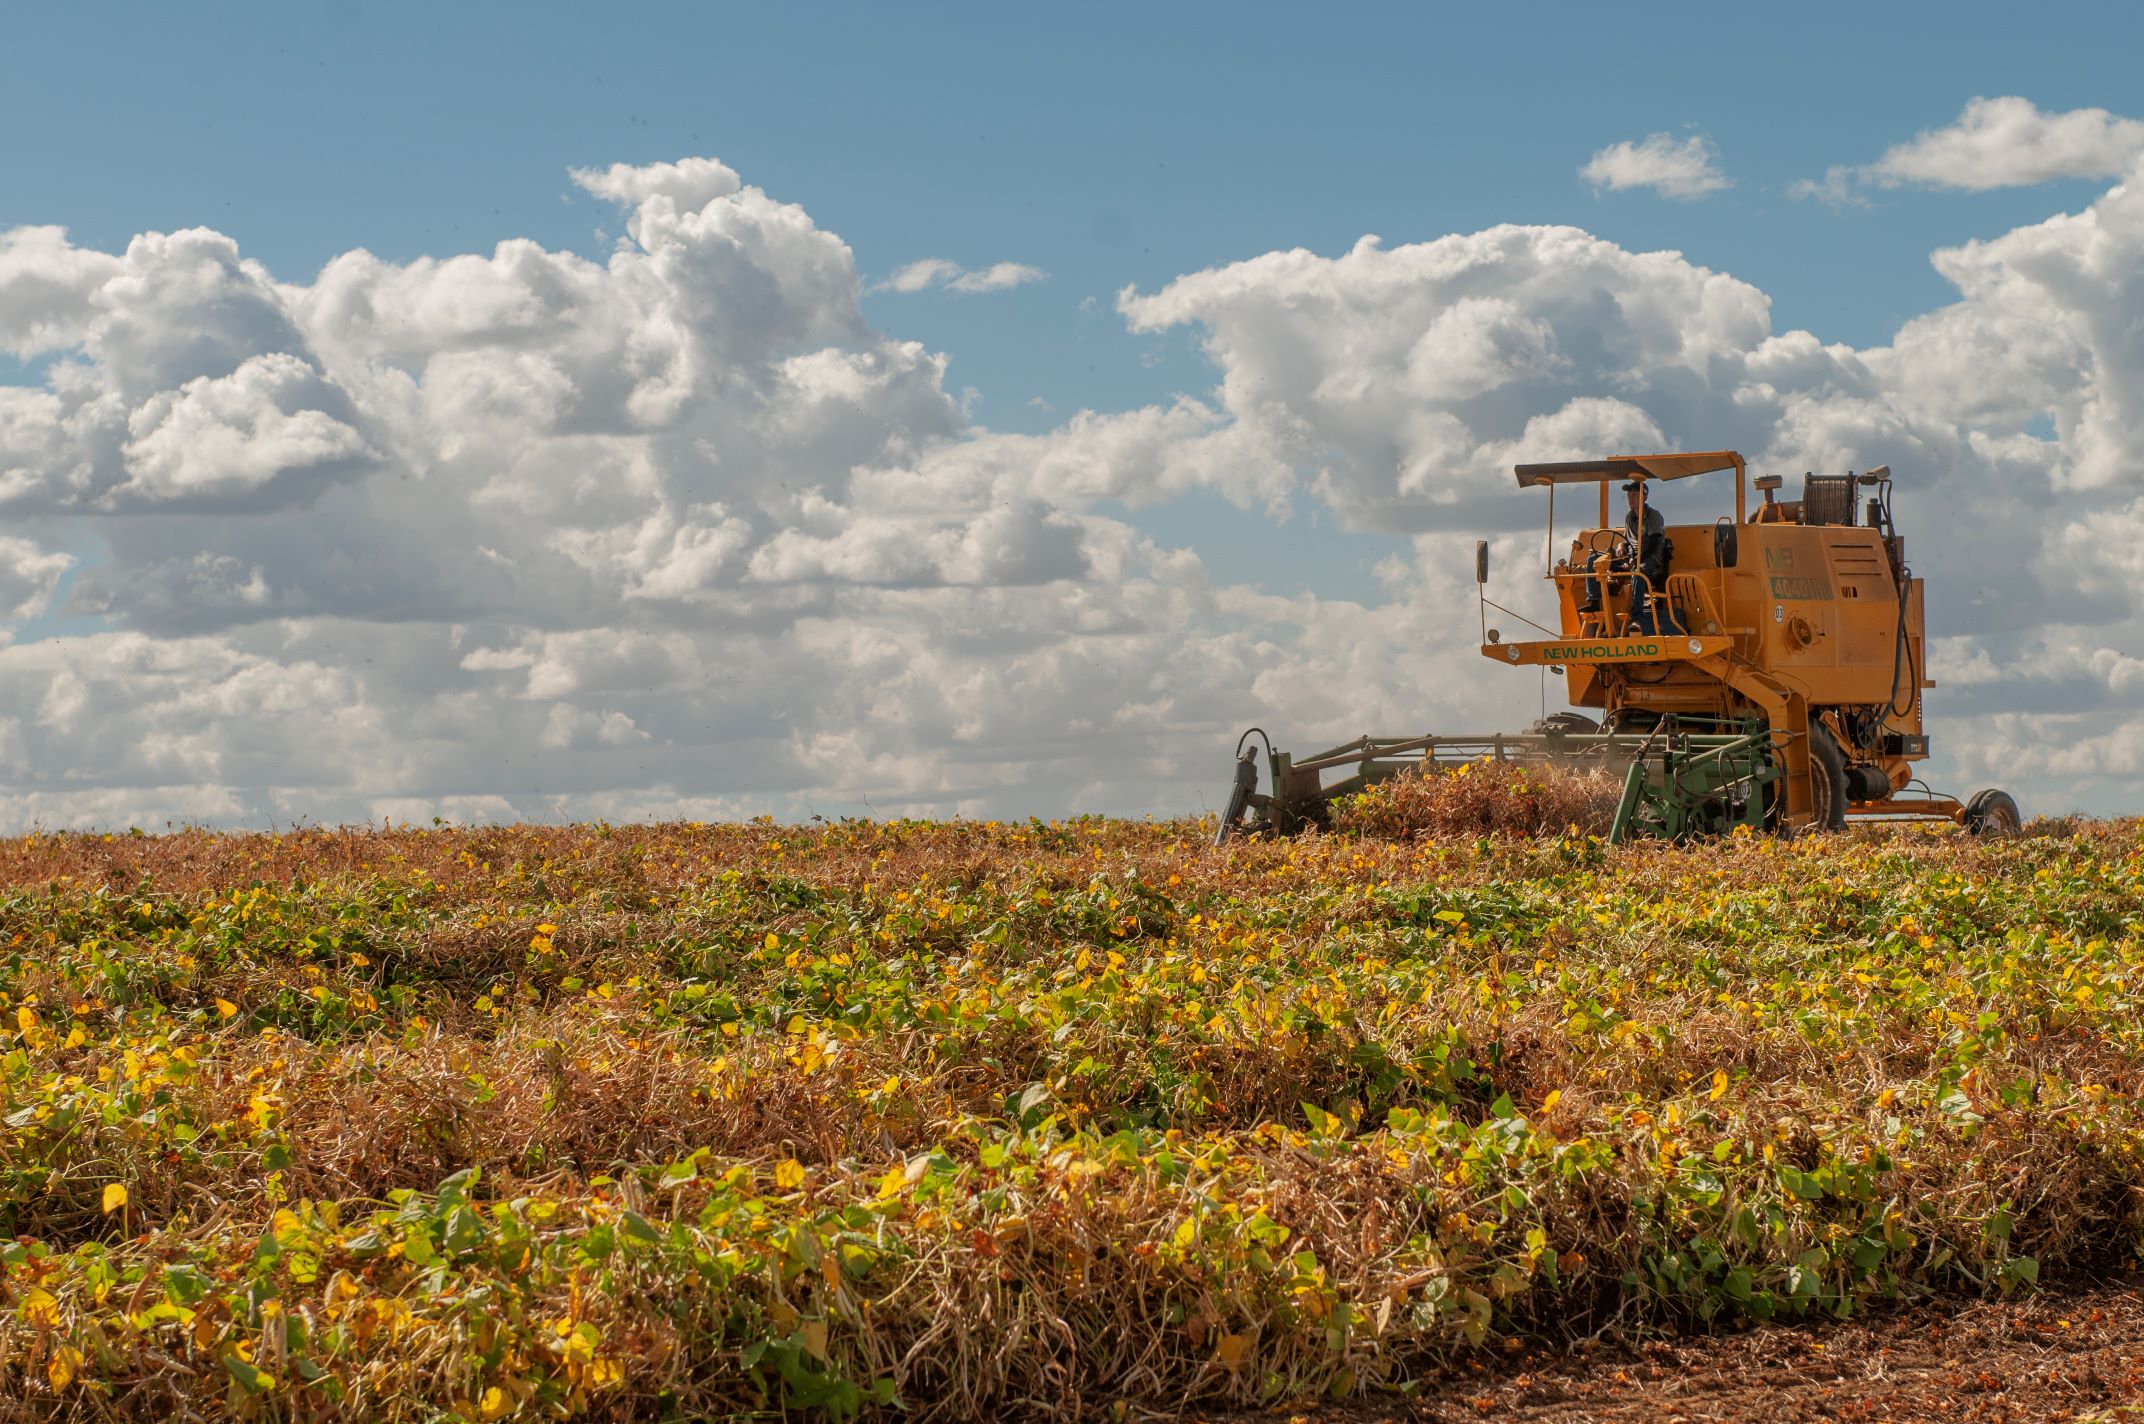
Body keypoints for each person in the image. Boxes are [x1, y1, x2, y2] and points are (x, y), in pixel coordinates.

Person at [1577, 480, 1676, 632]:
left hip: (1650, 561)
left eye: (1635, 495)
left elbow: (1654, 543)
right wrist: (1621, 546)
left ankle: (1636, 618)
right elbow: (1627, 540)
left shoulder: (1654, 515)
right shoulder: (1629, 517)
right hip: (1632, 558)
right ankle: (1594, 602)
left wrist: (1635, 560)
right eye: (1629, 495)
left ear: (1645, 497)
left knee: (1637, 572)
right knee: (1593, 559)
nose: (1631, 499)